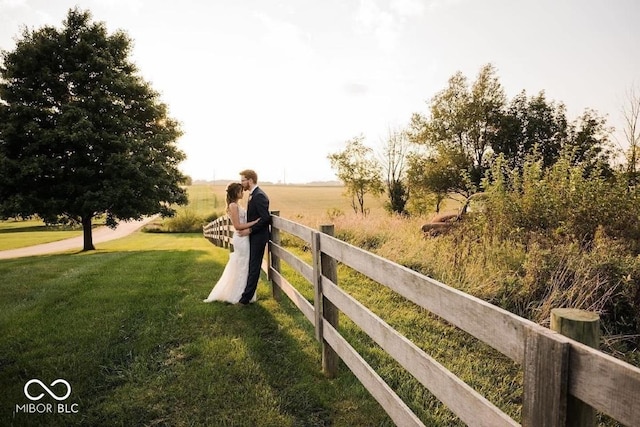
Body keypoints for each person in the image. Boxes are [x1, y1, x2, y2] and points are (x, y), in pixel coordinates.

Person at [203, 182, 259, 304]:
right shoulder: (233, 206)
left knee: (244, 264)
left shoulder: (236, 205)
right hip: (241, 238)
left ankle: (244, 293)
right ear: (235, 193)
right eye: (240, 191)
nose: (242, 192)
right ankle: (238, 295)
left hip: (244, 237)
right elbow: (237, 226)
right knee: (243, 265)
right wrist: (255, 223)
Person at [236, 169, 271, 305]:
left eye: (243, 180)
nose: (241, 183)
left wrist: (249, 230)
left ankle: (245, 299)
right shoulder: (253, 194)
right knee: (251, 265)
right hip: (254, 236)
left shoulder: (259, 195)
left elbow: (265, 218)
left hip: (259, 237)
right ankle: (246, 296)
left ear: (250, 180)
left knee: (254, 266)